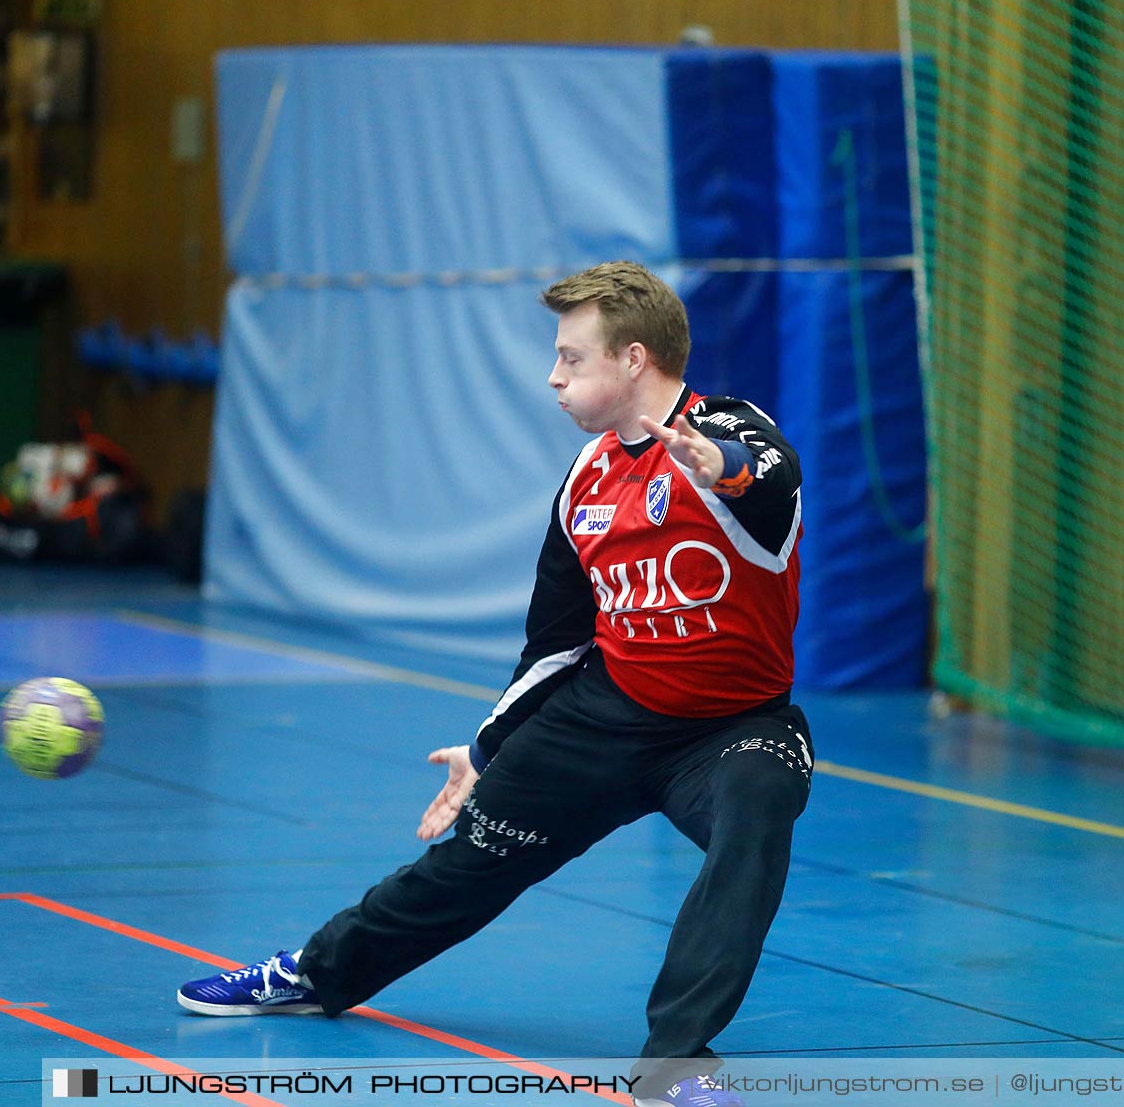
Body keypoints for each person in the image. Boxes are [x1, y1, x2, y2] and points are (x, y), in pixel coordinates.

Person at [177, 261, 812, 1107]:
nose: (553, 376)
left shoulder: (731, 431)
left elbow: (771, 473)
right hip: (606, 718)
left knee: (756, 807)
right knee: (469, 865)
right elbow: (553, 647)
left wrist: (720, 464)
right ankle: (316, 972)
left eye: (571, 358)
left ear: (632, 359)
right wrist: (487, 746)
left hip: (733, 728)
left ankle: (674, 1066)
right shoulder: (585, 482)